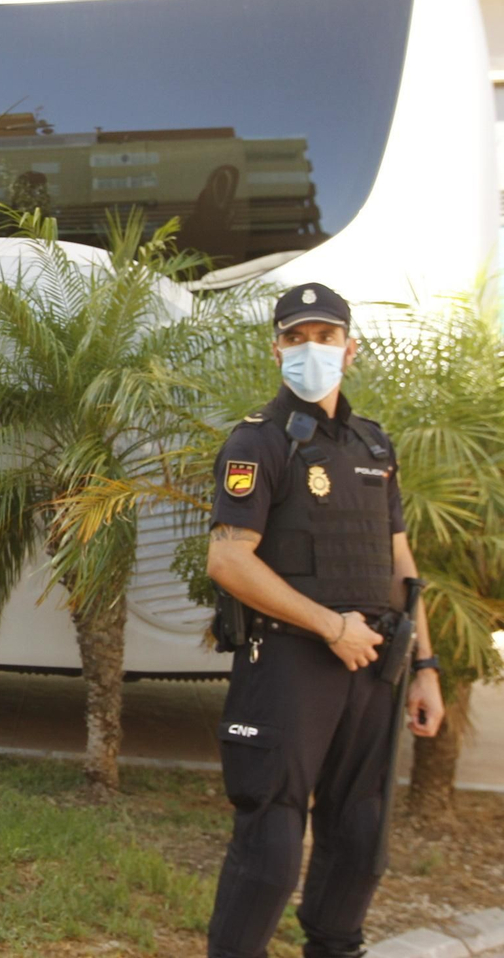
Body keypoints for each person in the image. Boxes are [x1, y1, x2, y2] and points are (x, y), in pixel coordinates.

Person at [204, 283, 445, 958]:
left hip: (373, 666)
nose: (313, 349)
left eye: (326, 336)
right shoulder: (259, 441)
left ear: (350, 348)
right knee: (272, 847)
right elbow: (228, 560)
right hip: (288, 663)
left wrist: (424, 666)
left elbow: (401, 559)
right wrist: (329, 625)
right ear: (276, 349)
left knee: (361, 838)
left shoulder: (374, 445)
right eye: (298, 337)